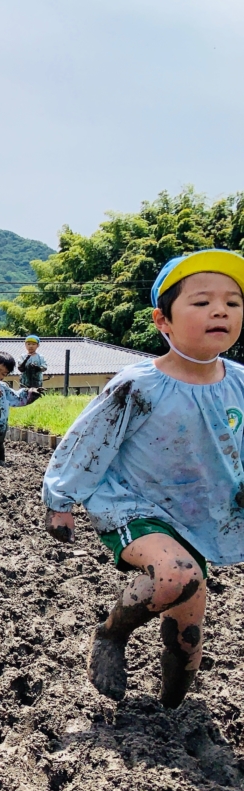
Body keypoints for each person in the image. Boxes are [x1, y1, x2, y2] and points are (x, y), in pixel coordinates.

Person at [42, 249, 244, 708]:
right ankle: (111, 634)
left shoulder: (239, 383)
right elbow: (87, 443)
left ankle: (171, 710)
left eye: (232, 303)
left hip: (201, 514)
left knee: (188, 637)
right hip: (134, 506)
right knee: (176, 575)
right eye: (202, 302)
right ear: (163, 320)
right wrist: (60, 501)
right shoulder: (138, 385)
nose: (220, 311)